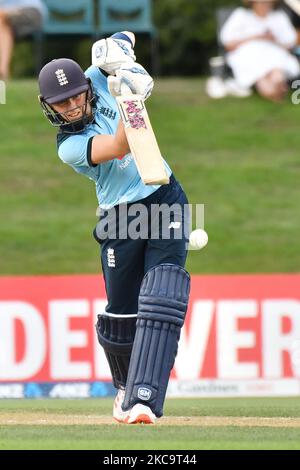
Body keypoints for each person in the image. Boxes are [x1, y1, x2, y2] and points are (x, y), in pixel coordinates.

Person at [38, 32, 190, 425]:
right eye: (62, 102)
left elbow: (125, 37)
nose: (72, 105)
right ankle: (123, 387)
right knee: (122, 313)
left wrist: (118, 53)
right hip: (120, 218)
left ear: (86, 86)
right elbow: (123, 144)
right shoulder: (69, 146)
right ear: (50, 107)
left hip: (163, 196)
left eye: (76, 95)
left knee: (164, 292)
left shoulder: (98, 74)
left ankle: (145, 398)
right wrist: (132, 96)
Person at [220, 0, 300, 101]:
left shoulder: (279, 17)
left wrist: (273, 40)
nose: (265, 5)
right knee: (261, 73)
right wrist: (257, 37)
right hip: (248, 54)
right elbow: (228, 45)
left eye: (267, 2)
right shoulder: (241, 16)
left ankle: (277, 86)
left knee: (277, 70)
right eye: (261, 2)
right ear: (252, 3)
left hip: (275, 52)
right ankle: (273, 90)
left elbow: (291, 45)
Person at [0, 0, 47, 80]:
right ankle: (3, 70)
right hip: (8, 18)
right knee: (3, 23)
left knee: (2, 17)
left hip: (31, 10)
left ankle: (3, 70)